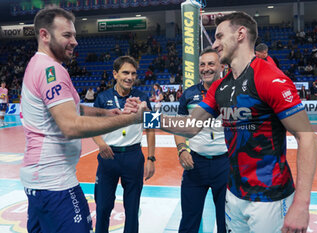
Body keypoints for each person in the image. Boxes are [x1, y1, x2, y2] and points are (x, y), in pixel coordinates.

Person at [147, 11, 317, 233]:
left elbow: (307, 137)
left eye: (219, 36)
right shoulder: (221, 87)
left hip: (270, 198)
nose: (215, 44)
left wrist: (302, 205)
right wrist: (143, 117)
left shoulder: (271, 79)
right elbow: (190, 126)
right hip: (234, 194)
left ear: (240, 34)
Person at [20, 6, 146, 233]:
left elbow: (73, 108)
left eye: (74, 35)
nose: (75, 41)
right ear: (44, 35)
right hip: (55, 183)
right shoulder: (51, 70)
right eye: (67, 35)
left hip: (40, 180)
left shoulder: (38, 65)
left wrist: (106, 113)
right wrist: (130, 119)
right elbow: (70, 126)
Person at [93, 56, 156, 233]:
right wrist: (100, 144)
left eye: (133, 73)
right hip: (108, 157)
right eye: (125, 72)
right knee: (103, 207)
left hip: (133, 157)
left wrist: (151, 158)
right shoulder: (102, 97)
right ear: (115, 74)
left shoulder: (142, 98)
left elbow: (151, 128)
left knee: (132, 209)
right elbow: (92, 127)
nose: (129, 77)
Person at [174, 47, 229, 233]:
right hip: (195, 164)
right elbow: (179, 127)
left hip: (225, 164)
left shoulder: (231, 92)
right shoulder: (188, 94)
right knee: (189, 220)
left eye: (211, 64)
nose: (206, 68)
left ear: (221, 66)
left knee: (226, 222)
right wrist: (182, 149)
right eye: (203, 65)